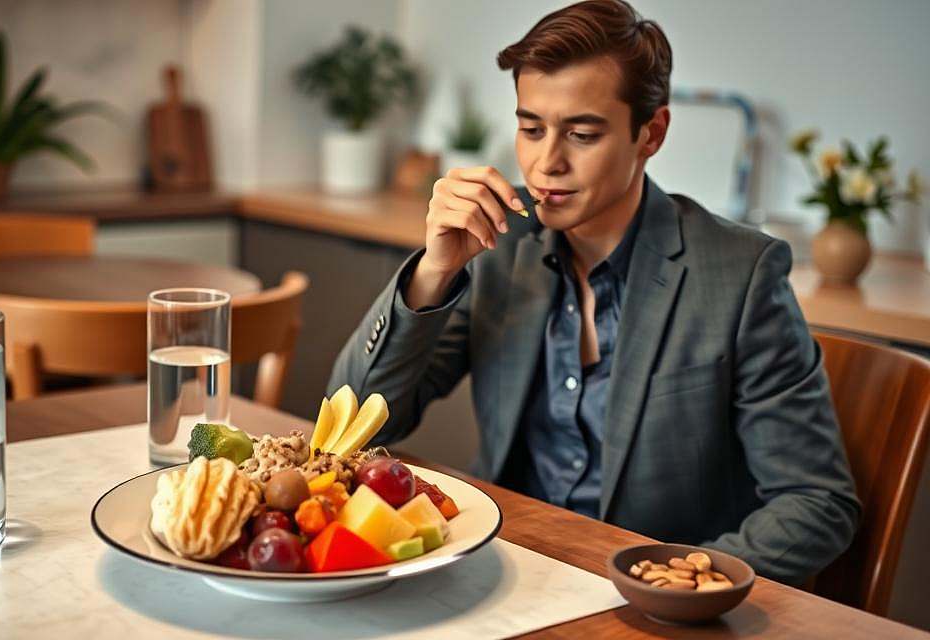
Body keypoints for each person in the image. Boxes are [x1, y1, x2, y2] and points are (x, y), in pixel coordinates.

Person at [327, 0, 859, 585]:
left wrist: (677, 580)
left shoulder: (741, 274)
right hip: (502, 568)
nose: (545, 163)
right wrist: (434, 272)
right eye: (530, 129)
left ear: (650, 133)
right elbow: (353, 427)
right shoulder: (500, 245)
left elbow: (816, 503)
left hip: (653, 603)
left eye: (581, 133)